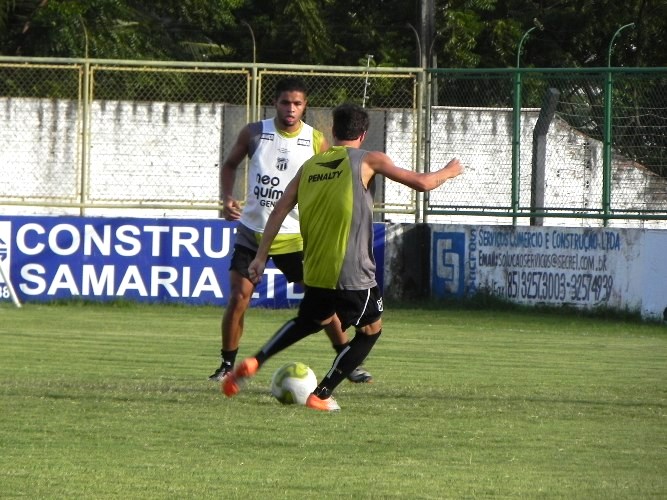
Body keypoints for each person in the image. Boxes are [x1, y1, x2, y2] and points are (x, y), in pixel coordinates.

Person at [222, 102, 463, 411]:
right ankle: (321, 394)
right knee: (371, 331)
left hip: (317, 268)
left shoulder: (311, 165)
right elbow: (421, 183)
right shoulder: (369, 159)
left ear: (333, 132)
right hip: (353, 271)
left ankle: (257, 359)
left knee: (309, 320)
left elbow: (279, 210)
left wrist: (259, 258)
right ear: (363, 135)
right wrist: (450, 171)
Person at [209, 79, 373, 384]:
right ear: (275, 103)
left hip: (294, 235)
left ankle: (346, 359)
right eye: (286, 102)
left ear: (305, 106)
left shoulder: (316, 141)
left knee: (320, 302)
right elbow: (229, 164)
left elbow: (332, 178)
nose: (291, 109)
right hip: (253, 230)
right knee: (239, 296)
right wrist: (227, 198)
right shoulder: (255, 132)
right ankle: (226, 365)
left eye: (297, 104)